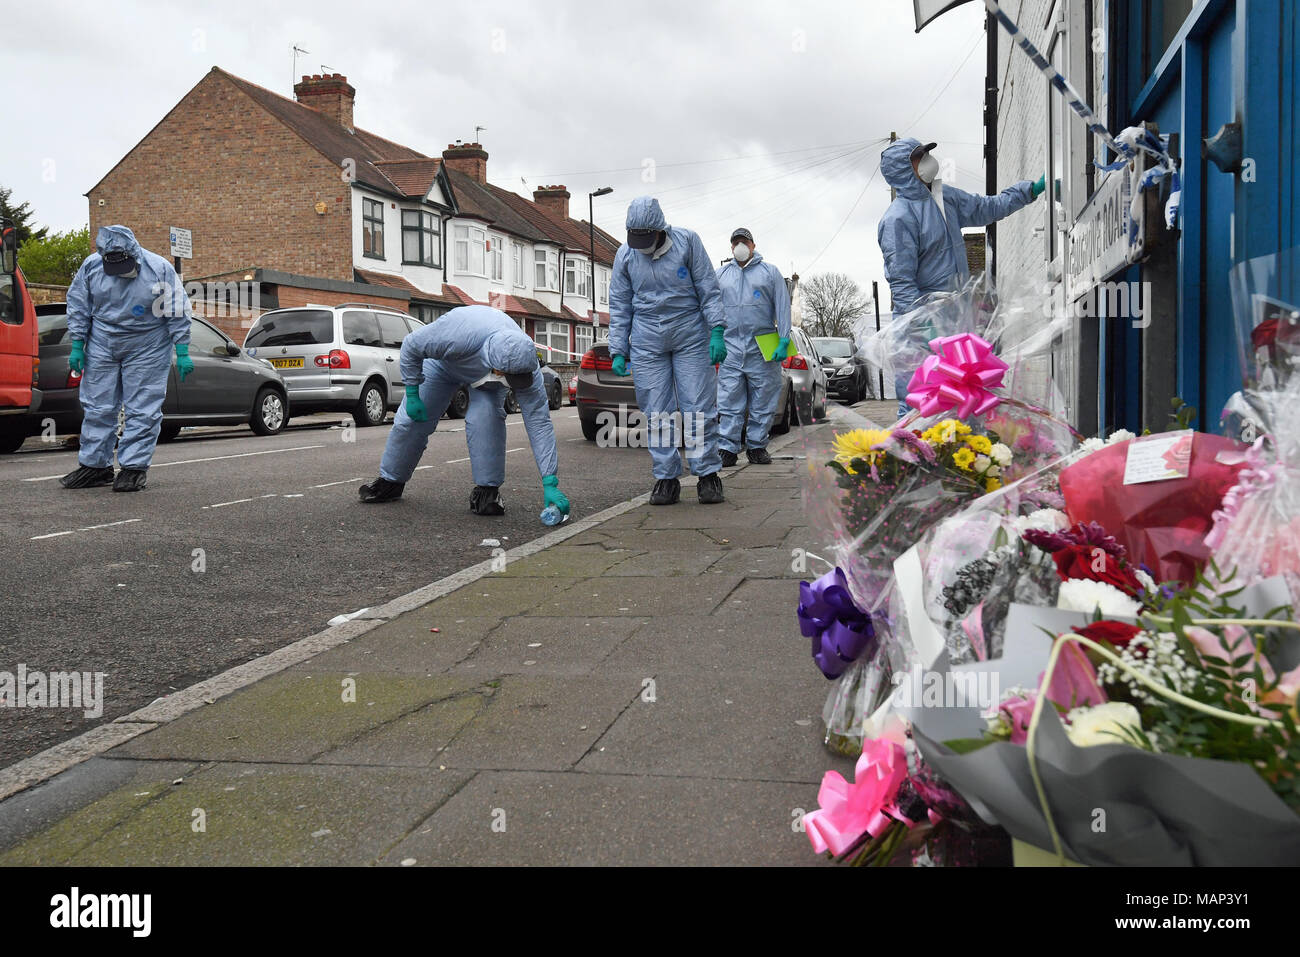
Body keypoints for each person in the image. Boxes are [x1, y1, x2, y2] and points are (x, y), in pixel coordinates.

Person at [878, 138, 1044, 415]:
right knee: (920, 402)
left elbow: (987, 208)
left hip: (953, 318)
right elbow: (902, 283)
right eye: (920, 157)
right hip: (919, 327)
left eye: (927, 154)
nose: (929, 160)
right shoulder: (898, 218)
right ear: (904, 169)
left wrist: (1032, 190)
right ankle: (912, 456)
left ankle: (956, 455)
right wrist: (923, 326)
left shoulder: (945, 198)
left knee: (962, 397)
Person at [358, 304, 570, 519]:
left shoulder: (526, 364)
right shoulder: (456, 335)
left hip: (486, 381)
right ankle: (391, 481)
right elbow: (412, 346)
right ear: (496, 367)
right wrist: (412, 392)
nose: (515, 385)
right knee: (410, 422)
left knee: (486, 419)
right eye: (509, 377)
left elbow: (539, 423)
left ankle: (487, 492)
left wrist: (549, 480)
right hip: (443, 366)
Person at [608, 196, 727, 505]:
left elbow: (708, 287)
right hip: (648, 337)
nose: (642, 244)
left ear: (660, 229)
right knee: (656, 409)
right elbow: (620, 306)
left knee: (698, 406)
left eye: (646, 237)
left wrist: (716, 330)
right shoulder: (626, 256)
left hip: (689, 332)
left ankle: (707, 475)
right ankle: (666, 478)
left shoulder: (687, 243)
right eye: (637, 238)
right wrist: (619, 349)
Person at [60, 225, 193, 492]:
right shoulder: (92, 267)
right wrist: (77, 344)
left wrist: (182, 350)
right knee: (98, 405)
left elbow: (177, 308)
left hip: (147, 344)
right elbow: (78, 304)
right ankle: (95, 466)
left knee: (142, 408)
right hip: (102, 340)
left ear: (133, 253)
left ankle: (133, 468)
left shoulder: (158, 268)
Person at [715, 227, 791, 466]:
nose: (740, 246)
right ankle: (727, 447)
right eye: (736, 242)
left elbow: (782, 305)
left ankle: (757, 446)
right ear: (731, 247)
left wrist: (784, 339)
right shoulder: (721, 275)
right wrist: (712, 336)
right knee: (729, 400)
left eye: (744, 242)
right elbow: (712, 307)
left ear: (753, 245)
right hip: (731, 345)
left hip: (763, 344)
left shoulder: (770, 273)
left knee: (764, 399)